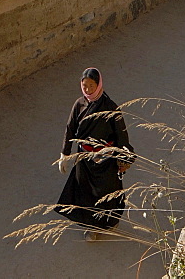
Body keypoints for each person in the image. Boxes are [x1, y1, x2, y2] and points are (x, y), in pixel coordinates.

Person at [56, 68, 134, 240]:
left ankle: (110, 222)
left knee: (106, 194)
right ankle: (93, 228)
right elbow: (70, 129)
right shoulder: (79, 105)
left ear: (99, 85)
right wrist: (64, 154)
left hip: (105, 161)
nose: (88, 89)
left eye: (92, 85)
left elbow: (121, 135)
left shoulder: (110, 108)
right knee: (86, 193)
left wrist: (123, 158)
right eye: (85, 86)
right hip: (84, 159)